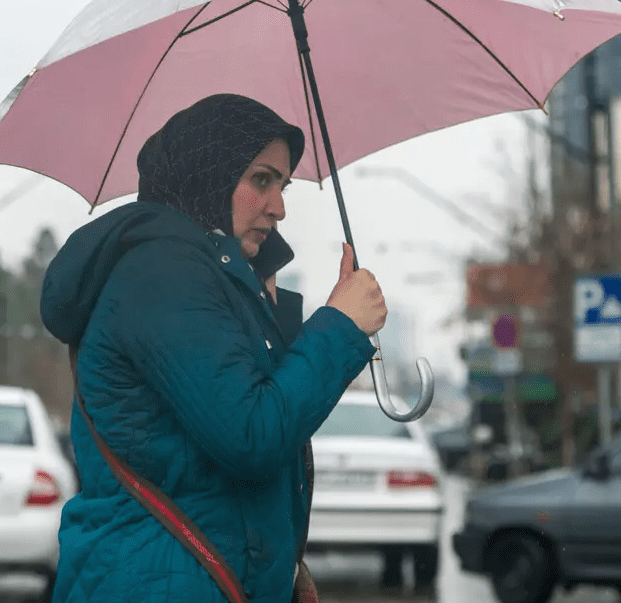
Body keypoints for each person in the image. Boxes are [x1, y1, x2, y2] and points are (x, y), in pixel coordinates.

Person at [40, 94, 387, 603]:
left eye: (283, 184)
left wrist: (283, 568)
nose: (279, 206)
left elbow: (218, 472)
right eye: (261, 180)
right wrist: (340, 326)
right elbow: (252, 434)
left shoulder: (202, 276)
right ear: (209, 175)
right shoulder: (161, 273)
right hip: (159, 582)